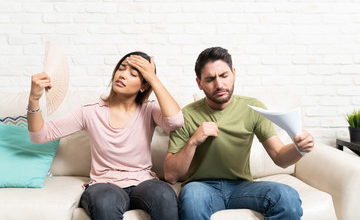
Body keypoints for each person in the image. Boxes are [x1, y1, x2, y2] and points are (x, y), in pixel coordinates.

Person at [27, 51, 184, 220]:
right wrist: (34, 98)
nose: (123, 75)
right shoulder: (89, 111)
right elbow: (39, 136)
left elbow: (175, 121)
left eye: (133, 74)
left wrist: (153, 78)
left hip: (143, 182)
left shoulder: (149, 109)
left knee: (163, 194)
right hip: (105, 185)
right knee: (105, 201)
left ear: (143, 86)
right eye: (121, 68)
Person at [164, 46, 314, 220]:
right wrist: (193, 142)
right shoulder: (187, 115)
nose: (219, 84)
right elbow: (170, 175)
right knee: (192, 198)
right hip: (201, 187)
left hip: (242, 187)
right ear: (199, 83)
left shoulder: (252, 108)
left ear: (234, 74)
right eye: (210, 79)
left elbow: (280, 157)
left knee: (287, 197)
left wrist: (299, 148)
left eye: (224, 76)